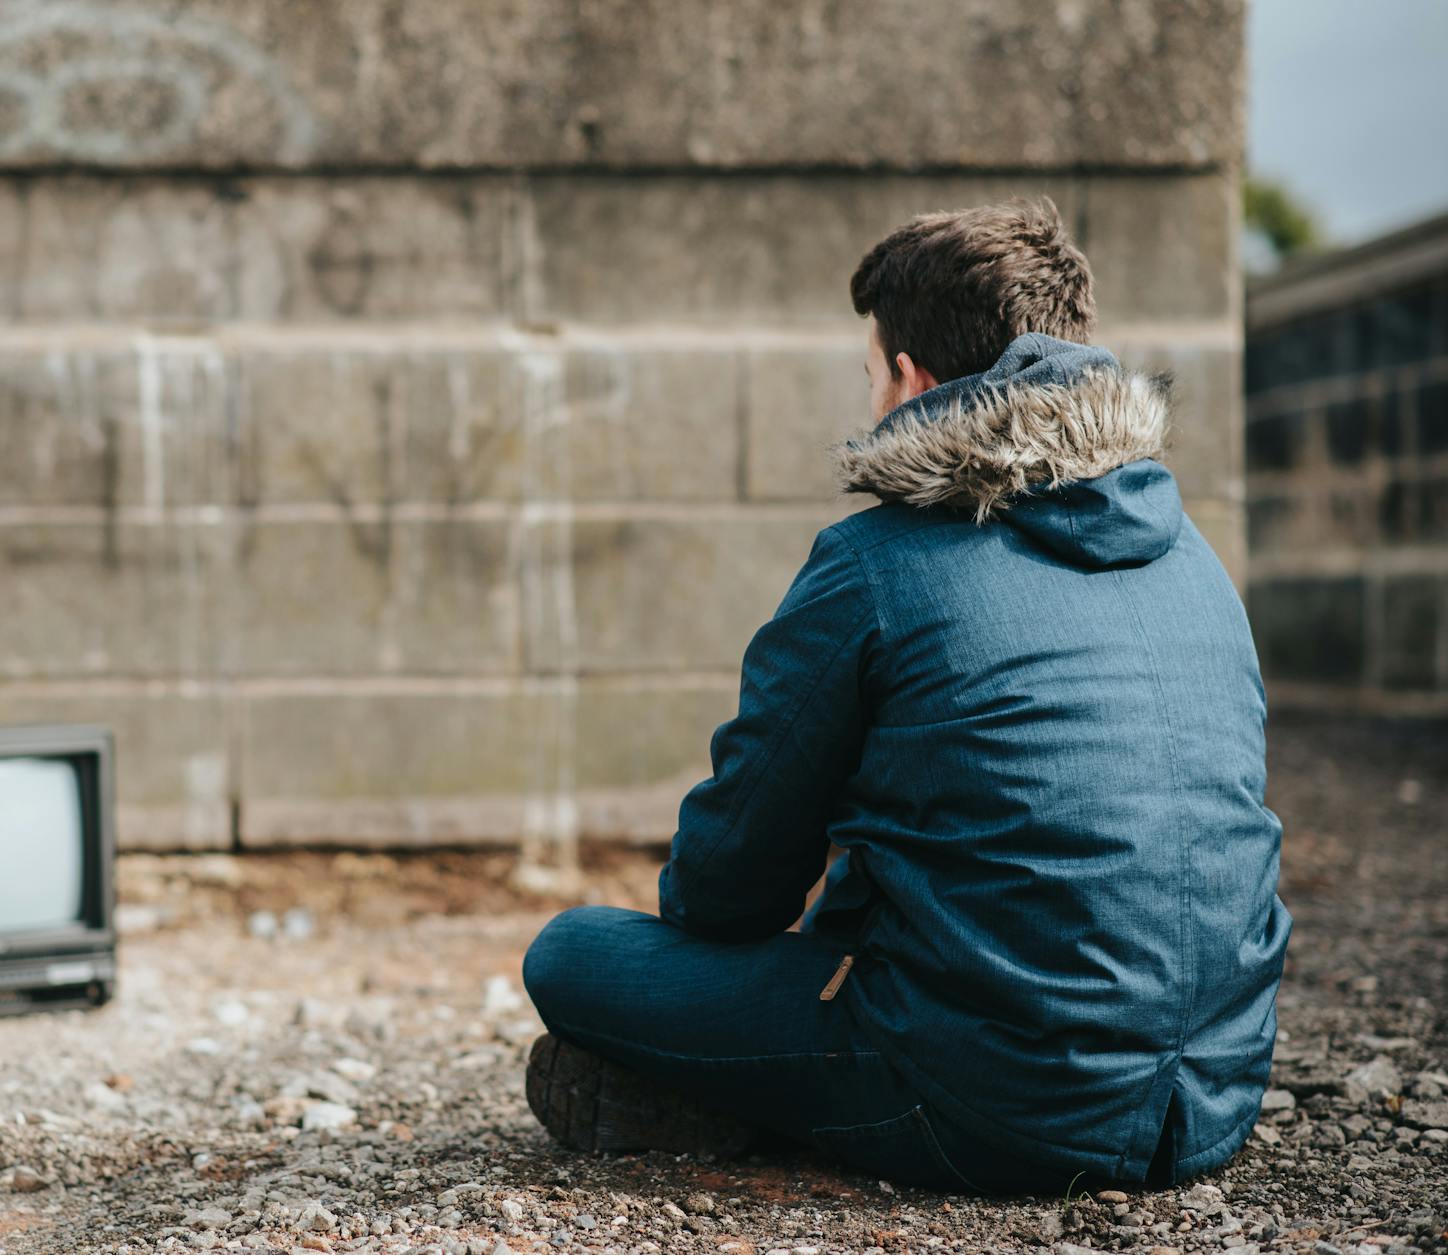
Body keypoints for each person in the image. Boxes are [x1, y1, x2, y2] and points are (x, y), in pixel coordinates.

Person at [519, 198, 1291, 1195]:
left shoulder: (874, 561)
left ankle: (728, 1102)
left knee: (572, 955)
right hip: (1211, 1091)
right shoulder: (1195, 560)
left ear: (912, 378)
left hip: (994, 1103)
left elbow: (727, 889)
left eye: (872, 378)